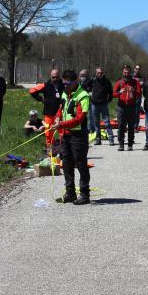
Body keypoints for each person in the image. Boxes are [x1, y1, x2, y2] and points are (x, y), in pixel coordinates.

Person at [52, 69, 92, 205]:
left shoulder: (83, 96)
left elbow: (79, 119)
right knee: (67, 164)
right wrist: (57, 119)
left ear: (75, 82)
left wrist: (61, 124)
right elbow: (60, 109)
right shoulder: (65, 93)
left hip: (78, 136)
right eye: (63, 84)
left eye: (68, 84)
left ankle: (85, 194)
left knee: (80, 164)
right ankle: (70, 192)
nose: (65, 86)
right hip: (66, 135)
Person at [29, 68, 64, 149]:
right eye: (53, 77)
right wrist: (40, 99)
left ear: (59, 76)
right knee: (48, 132)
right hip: (48, 113)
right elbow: (32, 90)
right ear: (50, 76)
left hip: (61, 113)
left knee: (62, 132)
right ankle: (50, 149)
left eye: (56, 77)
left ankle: (63, 149)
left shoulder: (63, 85)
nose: (55, 79)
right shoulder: (45, 85)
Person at [113, 65, 141, 151]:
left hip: (131, 107)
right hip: (121, 107)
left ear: (130, 72)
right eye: (125, 72)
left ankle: (130, 144)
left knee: (131, 126)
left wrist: (134, 91)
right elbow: (113, 94)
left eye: (128, 72)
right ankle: (121, 144)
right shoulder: (119, 82)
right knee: (121, 126)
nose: (126, 74)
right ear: (123, 72)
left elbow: (139, 94)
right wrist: (119, 93)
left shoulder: (135, 82)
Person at [90, 67, 115, 146]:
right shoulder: (92, 81)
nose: (99, 74)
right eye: (98, 73)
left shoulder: (107, 81)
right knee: (96, 123)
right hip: (94, 104)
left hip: (104, 104)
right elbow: (85, 87)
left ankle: (111, 139)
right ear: (96, 73)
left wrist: (109, 100)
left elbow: (111, 92)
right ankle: (98, 140)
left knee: (107, 122)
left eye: (101, 73)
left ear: (103, 73)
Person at [132, 64, 145, 131]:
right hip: (130, 97)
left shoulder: (142, 77)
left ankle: (135, 126)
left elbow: (143, 87)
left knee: (137, 112)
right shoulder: (130, 76)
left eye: (139, 69)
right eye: (136, 68)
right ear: (134, 69)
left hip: (138, 97)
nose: (137, 70)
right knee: (129, 112)